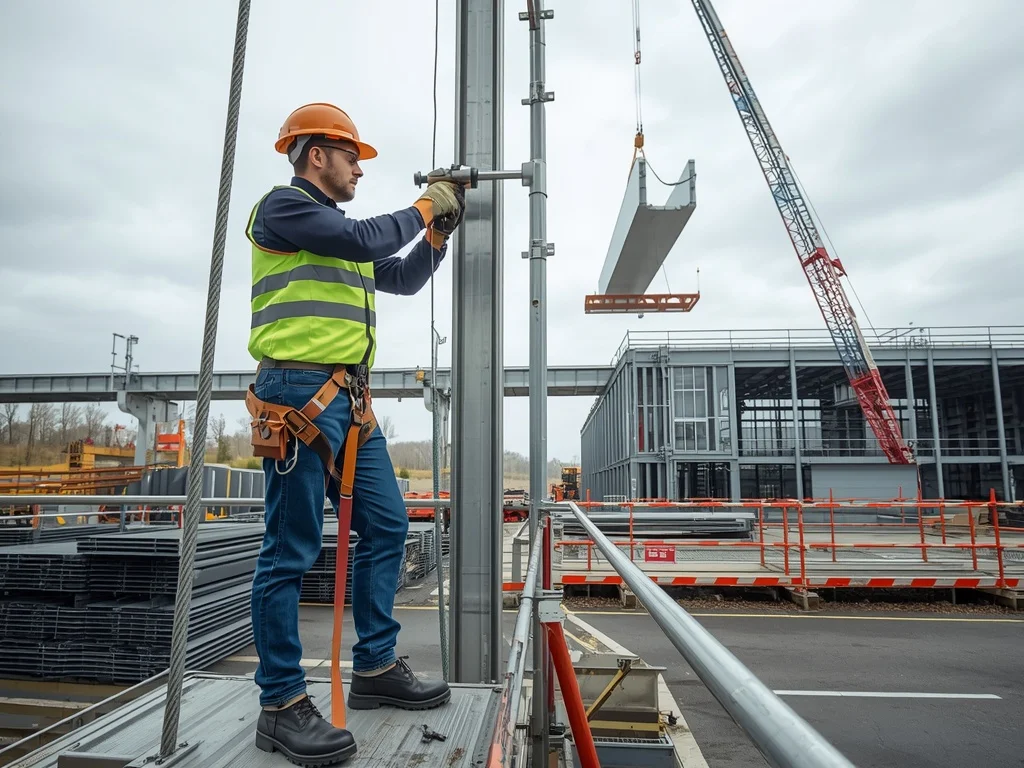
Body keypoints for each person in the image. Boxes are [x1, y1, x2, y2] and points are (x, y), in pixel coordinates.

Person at [245, 102, 466, 766]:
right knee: (291, 549)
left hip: (349, 400)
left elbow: (393, 275)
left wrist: (437, 235)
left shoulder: (336, 234)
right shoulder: (283, 210)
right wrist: (427, 205)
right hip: (298, 395)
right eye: (351, 158)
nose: (358, 171)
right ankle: (281, 704)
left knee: (388, 524)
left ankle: (373, 667)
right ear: (317, 155)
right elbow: (373, 241)